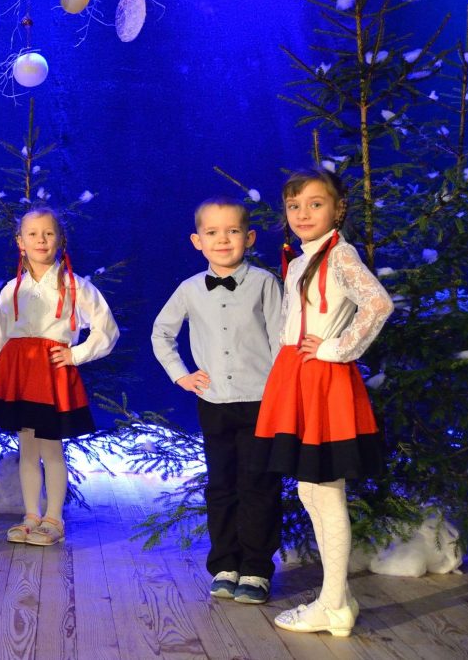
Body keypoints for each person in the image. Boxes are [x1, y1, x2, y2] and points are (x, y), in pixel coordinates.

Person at [254, 170, 392, 637]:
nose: (303, 213)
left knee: (324, 489)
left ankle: (333, 605)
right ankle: (338, 599)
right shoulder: (300, 261)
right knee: (310, 489)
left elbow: (378, 304)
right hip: (297, 376)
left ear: (337, 209)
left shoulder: (340, 255)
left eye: (315, 204)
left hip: (322, 378)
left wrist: (336, 348)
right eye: (294, 206)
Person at [151, 196, 284, 604]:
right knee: (222, 484)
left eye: (232, 231)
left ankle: (257, 569)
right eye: (212, 232)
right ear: (197, 241)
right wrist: (182, 375)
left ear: (249, 237)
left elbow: (281, 339)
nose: (222, 239)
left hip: (261, 400)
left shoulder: (264, 283)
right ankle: (226, 565)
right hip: (214, 403)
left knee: (259, 484)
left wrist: (282, 391)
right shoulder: (190, 289)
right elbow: (161, 334)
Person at [0, 207, 118, 546]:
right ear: (20, 242)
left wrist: (75, 354)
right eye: (33, 234)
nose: (41, 240)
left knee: (51, 448)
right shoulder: (13, 289)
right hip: (20, 374)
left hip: (51, 375)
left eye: (49, 233)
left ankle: (53, 518)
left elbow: (107, 330)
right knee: (27, 447)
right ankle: (30, 516)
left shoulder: (75, 287)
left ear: (61, 240)